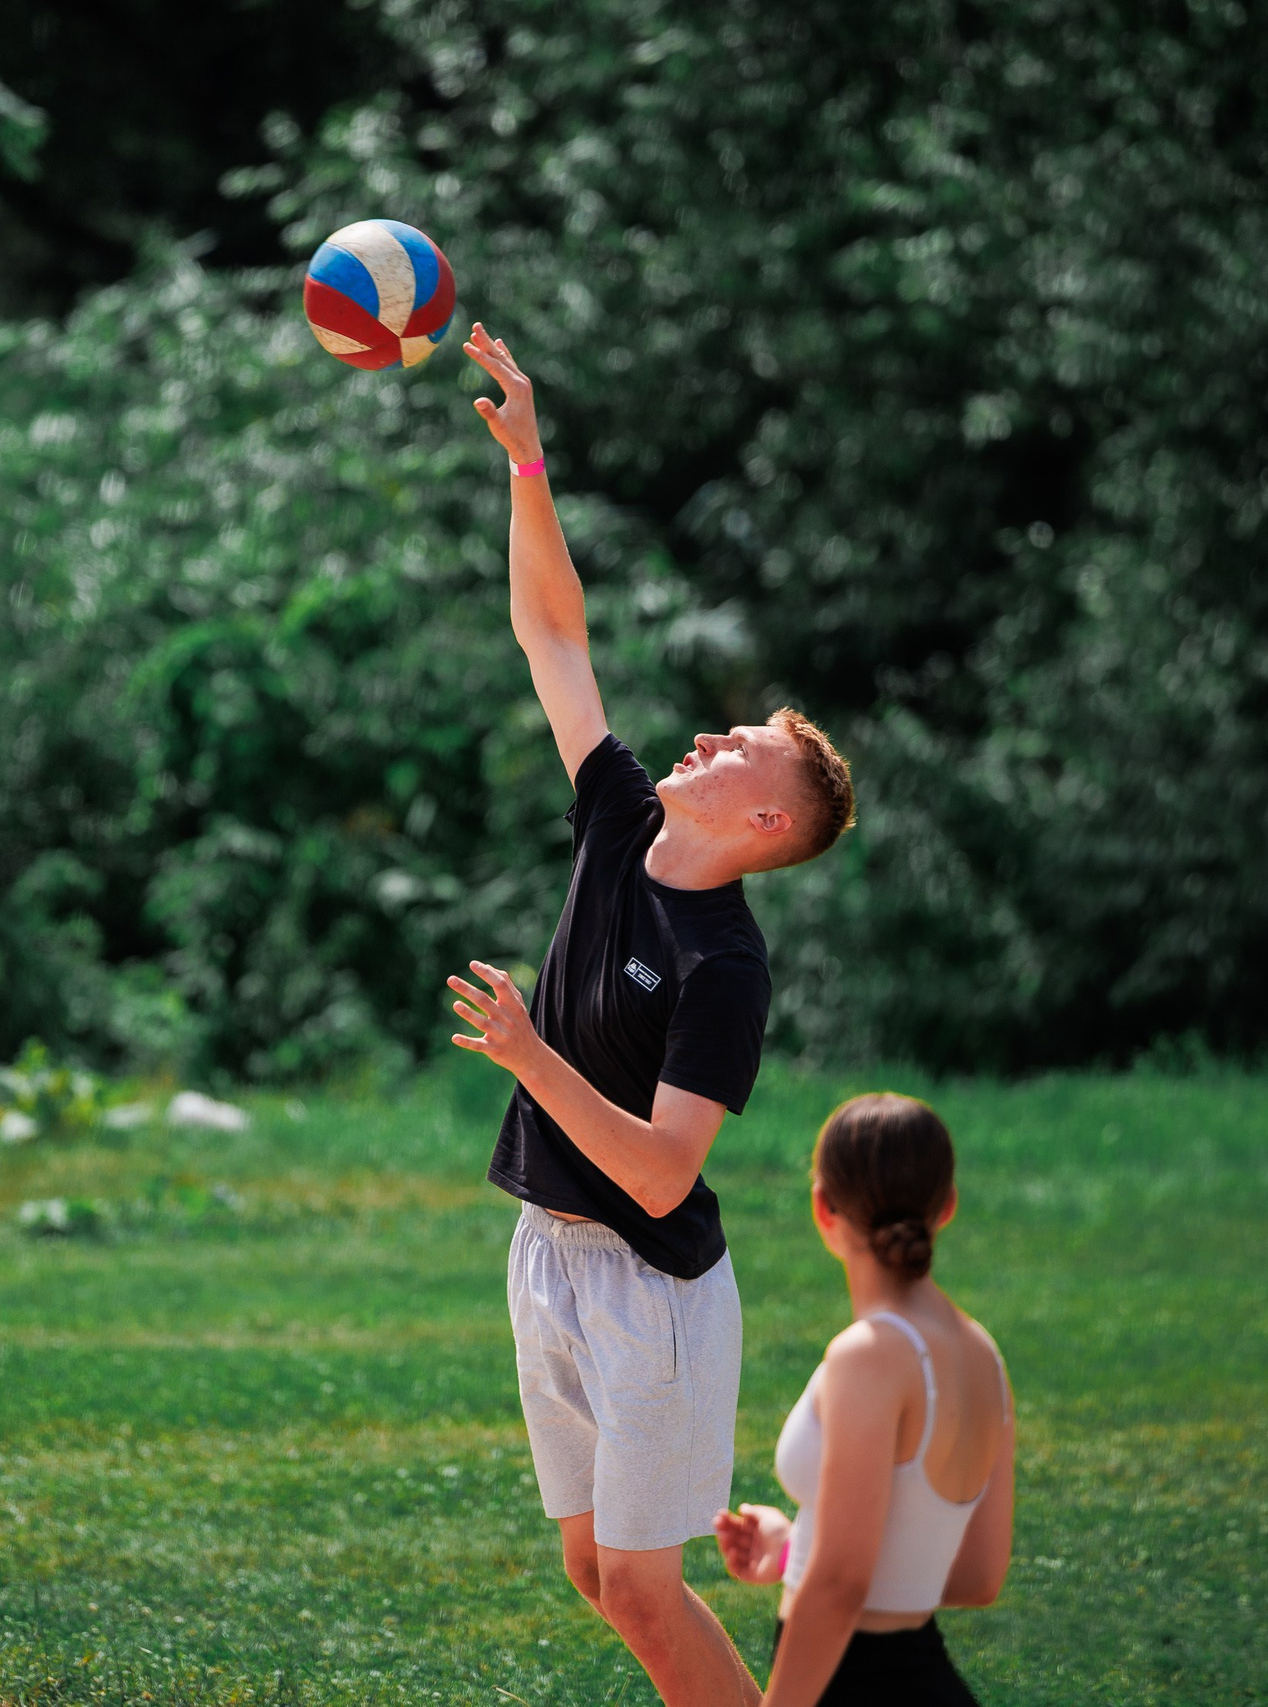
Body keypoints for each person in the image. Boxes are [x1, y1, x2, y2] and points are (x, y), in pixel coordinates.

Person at [445, 322, 858, 1707]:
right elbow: (552, 630)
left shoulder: (723, 965)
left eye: (738, 747)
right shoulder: (621, 818)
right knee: (595, 1572)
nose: (706, 734)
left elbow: (664, 1167)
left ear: (760, 818)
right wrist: (527, 464)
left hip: (650, 1287)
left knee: (641, 1581)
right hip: (546, 1249)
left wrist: (529, 1053)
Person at [710, 1094, 1015, 1707]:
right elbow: (979, 1576)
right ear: (947, 1205)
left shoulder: (867, 1354)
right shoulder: (984, 1355)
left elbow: (844, 1584)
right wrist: (795, 1550)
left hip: (851, 1686)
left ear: (822, 1207)